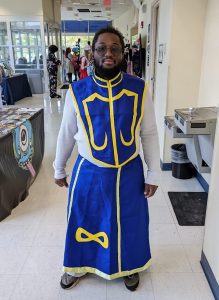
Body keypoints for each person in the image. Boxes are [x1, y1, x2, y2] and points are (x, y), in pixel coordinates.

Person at [53, 26, 160, 291]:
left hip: (129, 171)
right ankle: (76, 266)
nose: (108, 54)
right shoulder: (76, 91)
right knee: (83, 218)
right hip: (89, 171)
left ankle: (130, 266)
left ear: (123, 54)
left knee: (129, 221)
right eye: (102, 49)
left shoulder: (139, 89)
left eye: (114, 48)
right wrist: (59, 167)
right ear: (92, 53)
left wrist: (154, 173)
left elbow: (149, 133)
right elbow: (67, 132)